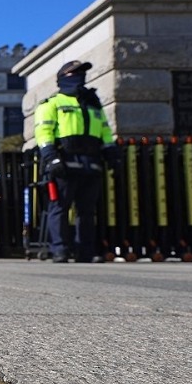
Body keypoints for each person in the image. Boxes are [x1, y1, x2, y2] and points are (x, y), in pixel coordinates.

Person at [34, 60, 117, 263]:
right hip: (64, 163)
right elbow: (43, 132)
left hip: (91, 163)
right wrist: (51, 157)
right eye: (75, 73)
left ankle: (85, 252)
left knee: (87, 212)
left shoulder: (93, 104)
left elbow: (105, 131)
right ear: (63, 77)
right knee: (60, 208)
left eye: (82, 73)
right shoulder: (52, 103)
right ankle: (60, 250)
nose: (80, 76)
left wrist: (112, 152)